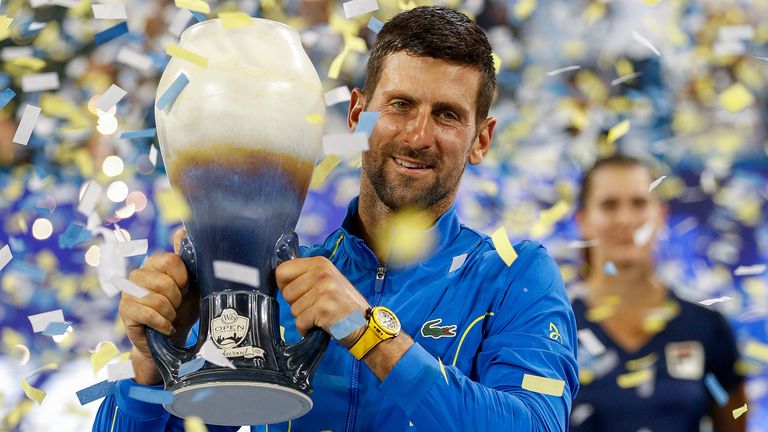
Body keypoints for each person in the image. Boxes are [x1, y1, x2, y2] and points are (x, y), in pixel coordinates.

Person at [93, 6, 579, 431]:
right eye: (400, 105)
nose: (418, 135)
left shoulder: (516, 275)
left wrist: (372, 335)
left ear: (481, 139)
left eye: (448, 115)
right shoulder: (276, 282)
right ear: (356, 114)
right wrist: (151, 366)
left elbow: (536, 423)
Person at [569, 155, 746, 432]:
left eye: (639, 203)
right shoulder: (552, 329)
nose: (625, 219)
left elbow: (735, 421)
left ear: (661, 215)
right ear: (583, 220)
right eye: (609, 205)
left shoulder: (706, 328)